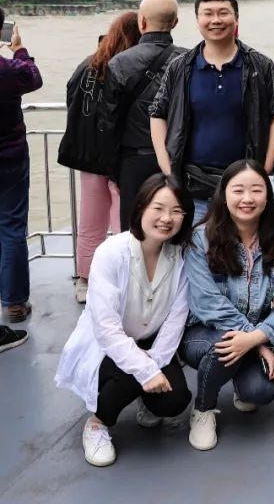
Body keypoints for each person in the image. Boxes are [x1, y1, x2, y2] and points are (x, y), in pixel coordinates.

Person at [55, 174, 194, 466]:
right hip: (105, 345)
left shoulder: (180, 258)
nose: (166, 218)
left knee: (175, 399)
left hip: (150, 342)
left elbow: (175, 320)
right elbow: (106, 329)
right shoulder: (111, 253)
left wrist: (154, 363)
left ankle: (145, 396)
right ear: (141, 207)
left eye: (176, 211)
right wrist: (145, 371)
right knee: (128, 374)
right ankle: (97, 424)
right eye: (158, 208)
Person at [179, 159, 274, 451]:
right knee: (224, 346)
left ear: (267, 197)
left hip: (254, 335)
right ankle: (203, 409)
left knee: (263, 391)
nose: (247, 198)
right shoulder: (201, 239)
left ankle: (239, 380)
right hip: (203, 334)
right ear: (223, 195)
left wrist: (256, 337)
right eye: (238, 190)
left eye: (256, 190)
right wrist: (258, 343)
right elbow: (208, 304)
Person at [149, 0, 274, 221]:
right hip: (193, 185)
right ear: (197, 20)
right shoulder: (180, 67)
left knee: (244, 244)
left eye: (223, 13)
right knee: (195, 244)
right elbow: (157, 113)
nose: (216, 20)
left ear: (236, 18)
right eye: (208, 14)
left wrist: (263, 170)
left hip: (244, 187)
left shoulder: (260, 65)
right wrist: (168, 170)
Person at [59, 12, 141, 303]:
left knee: (90, 220)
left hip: (89, 155)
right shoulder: (130, 67)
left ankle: (85, 279)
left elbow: (71, 97)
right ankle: (123, 279)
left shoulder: (88, 64)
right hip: (120, 156)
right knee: (123, 221)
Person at [99, 0, 187, 230]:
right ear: (175, 23)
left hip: (133, 161)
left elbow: (109, 122)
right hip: (178, 160)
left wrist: (113, 170)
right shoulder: (188, 61)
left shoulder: (119, 63)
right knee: (176, 227)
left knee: (135, 230)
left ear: (142, 22)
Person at [0, 8, 43, 326]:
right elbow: (34, 77)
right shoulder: (10, 70)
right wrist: (19, 48)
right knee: (12, 227)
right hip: (10, 158)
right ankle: (14, 302)